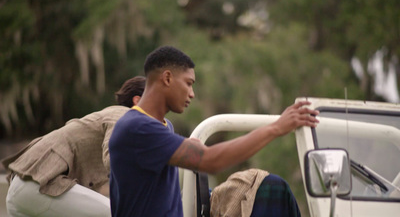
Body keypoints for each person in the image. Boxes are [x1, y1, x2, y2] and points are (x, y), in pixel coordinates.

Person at [108, 46, 319, 217]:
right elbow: (210, 161)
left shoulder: (162, 126)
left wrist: (193, 146)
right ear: (167, 78)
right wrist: (275, 128)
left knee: (270, 187)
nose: (192, 94)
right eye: (188, 83)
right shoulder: (136, 127)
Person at [1, 76, 146, 217]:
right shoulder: (122, 114)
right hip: (39, 187)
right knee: (117, 213)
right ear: (137, 100)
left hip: (21, 192)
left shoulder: (105, 117)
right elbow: (114, 156)